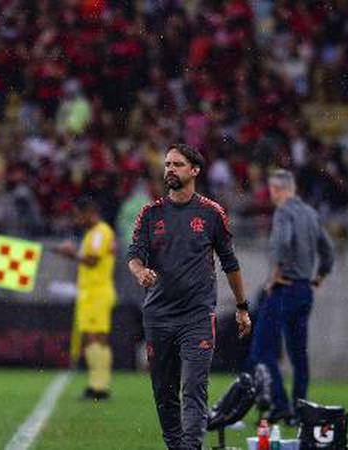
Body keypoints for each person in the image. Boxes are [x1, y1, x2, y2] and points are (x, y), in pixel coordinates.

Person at [127, 144, 252, 450]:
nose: (169, 169)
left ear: (194, 170)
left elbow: (230, 263)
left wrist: (241, 307)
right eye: (167, 164)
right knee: (164, 392)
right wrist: (140, 271)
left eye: (177, 164)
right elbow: (134, 255)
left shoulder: (211, 213)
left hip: (197, 316)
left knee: (194, 388)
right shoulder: (150, 213)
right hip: (158, 316)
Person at [247, 169, 334, 425]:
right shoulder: (310, 213)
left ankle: (281, 405)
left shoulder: (284, 211)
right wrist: (320, 275)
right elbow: (328, 250)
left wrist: (274, 274)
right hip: (305, 290)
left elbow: (283, 242)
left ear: (276, 190)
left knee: (262, 349)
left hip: (284, 288)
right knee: (299, 355)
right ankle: (299, 410)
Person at [56, 198, 117, 400]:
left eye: (78, 215)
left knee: (94, 337)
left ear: (89, 212)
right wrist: (69, 253)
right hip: (94, 292)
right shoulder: (94, 233)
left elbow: (92, 260)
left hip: (96, 293)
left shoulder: (100, 232)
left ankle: (98, 386)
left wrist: (72, 254)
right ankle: (99, 384)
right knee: (97, 338)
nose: (76, 219)